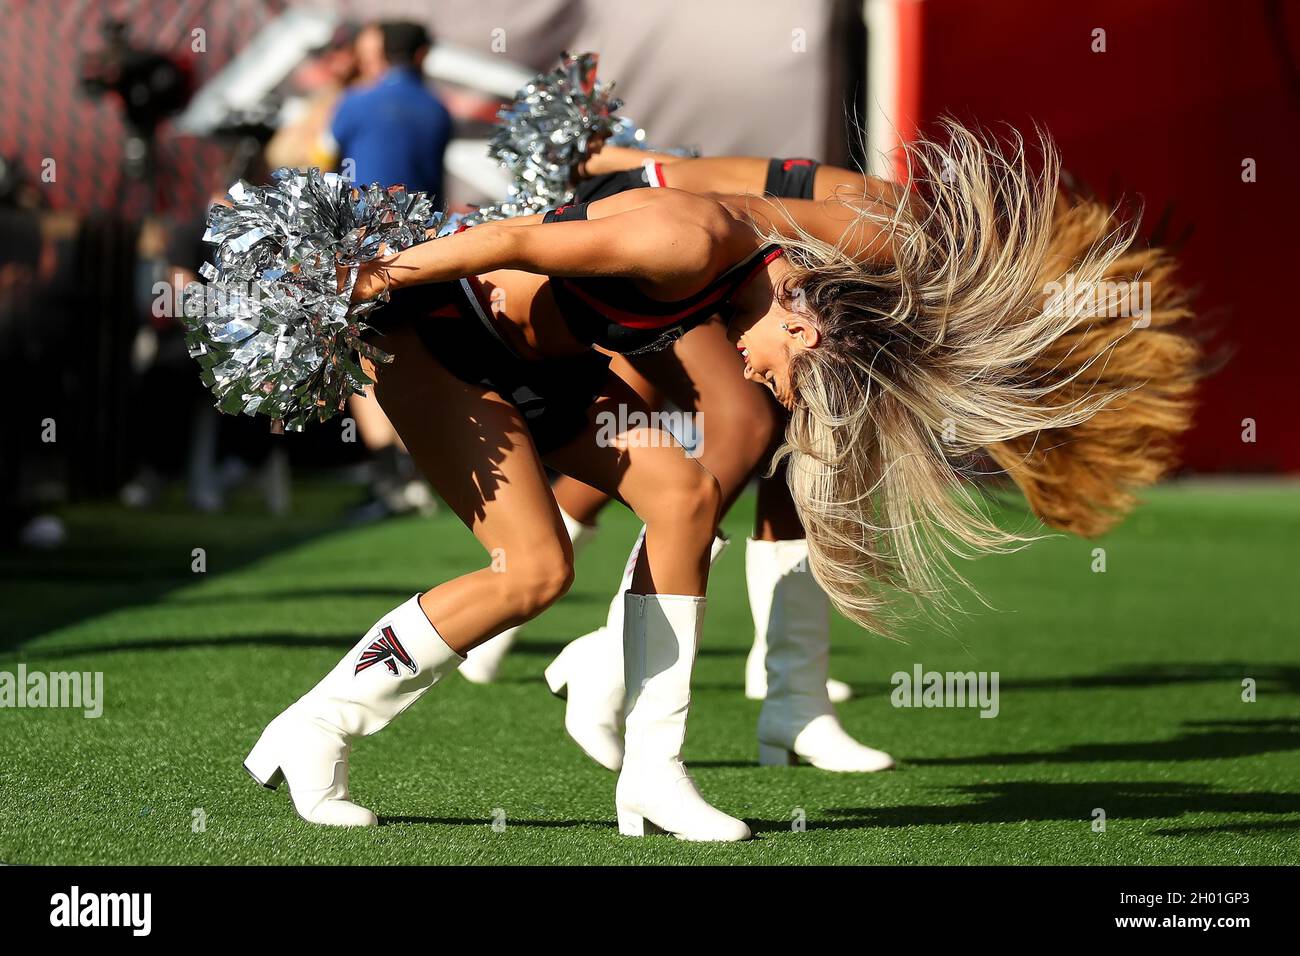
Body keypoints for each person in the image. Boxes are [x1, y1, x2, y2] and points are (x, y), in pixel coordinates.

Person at [242, 122, 1199, 842]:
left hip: (551, 364)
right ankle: (318, 726)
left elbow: (901, 271)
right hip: (438, 339)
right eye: (797, 378)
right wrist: (359, 283)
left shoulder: (801, 256)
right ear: (808, 327)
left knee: (686, 498)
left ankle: (654, 772)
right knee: (531, 574)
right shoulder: (685, 244)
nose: (770, 384)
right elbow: (513, 241)